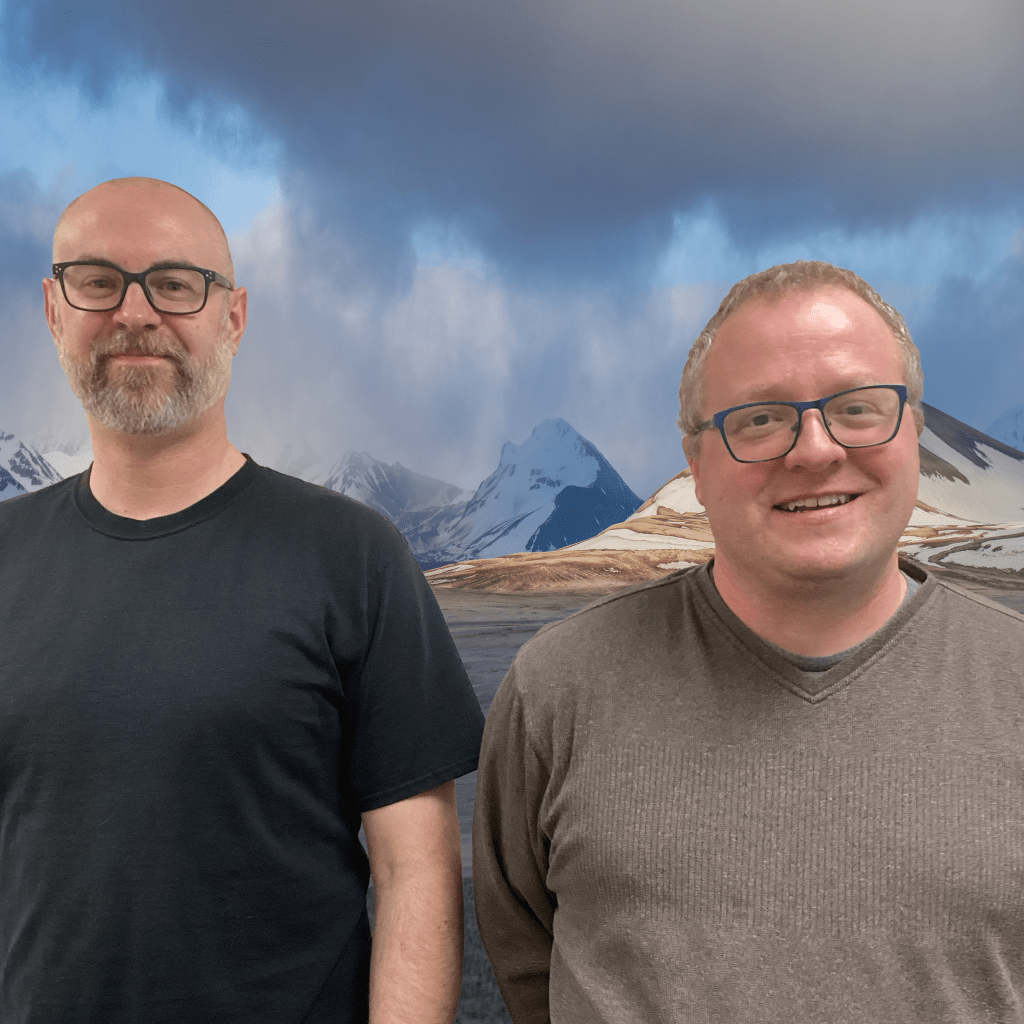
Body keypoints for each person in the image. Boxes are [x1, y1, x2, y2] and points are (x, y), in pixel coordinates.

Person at [473, 260, 1024, 1023]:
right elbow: (526, 958)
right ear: (695, 466)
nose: (814, 449)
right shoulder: (558, 689)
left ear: (914, 431)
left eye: (859, 408)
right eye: (760, 419)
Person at [0, 177, 485, 1024]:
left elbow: (419, 874)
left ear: (234, 317)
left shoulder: (354, 557)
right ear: (53, 309)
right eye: (98, 281)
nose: (136, 312)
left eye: (177, 284)